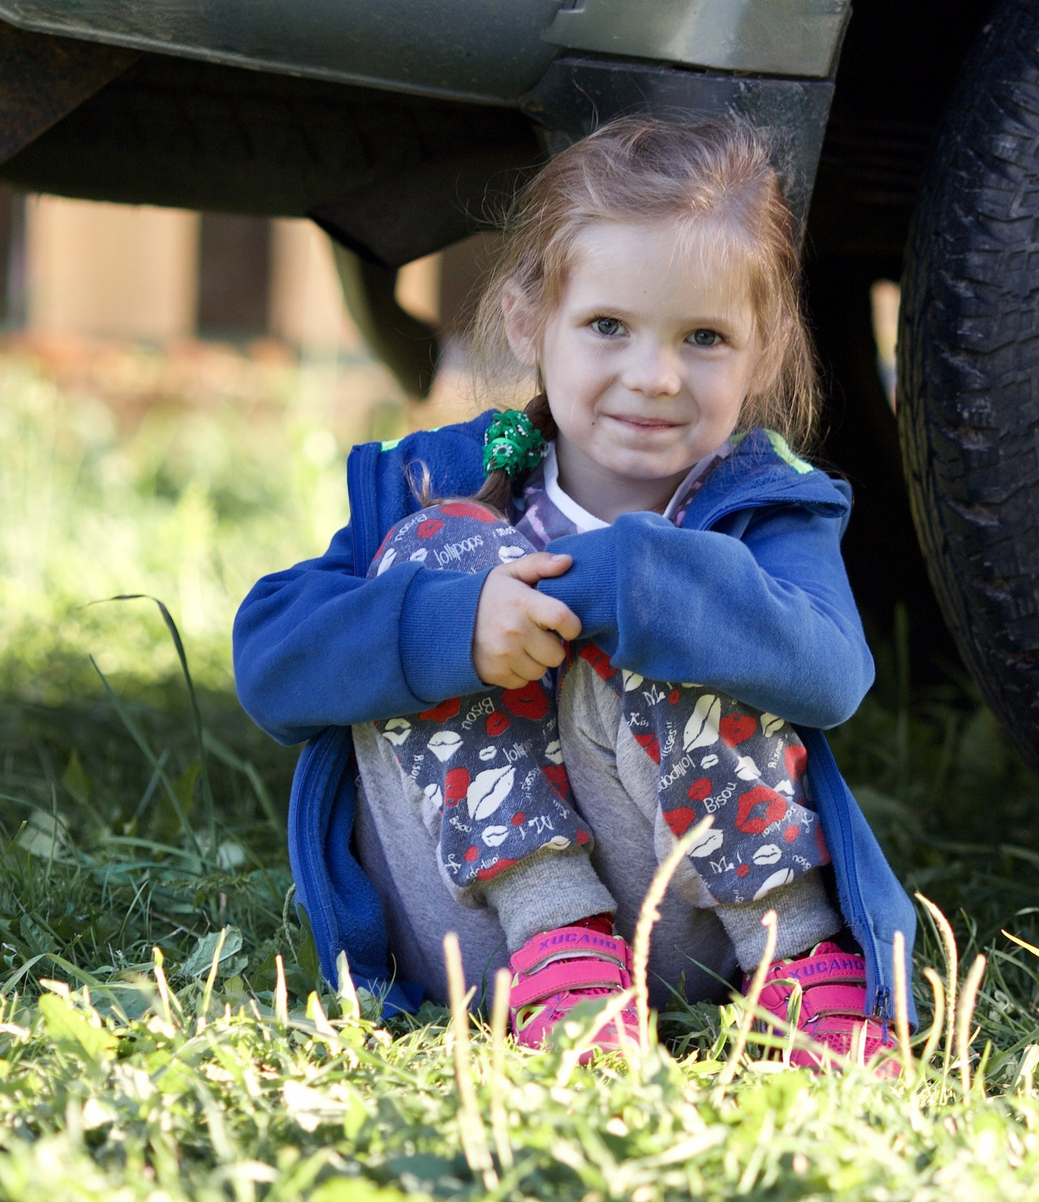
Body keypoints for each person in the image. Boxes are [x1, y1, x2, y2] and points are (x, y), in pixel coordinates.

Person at [235, 116, 912, 1067]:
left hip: (703, 923)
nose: (654, 375)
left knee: (683, 602)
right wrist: (454, 630)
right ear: (527, 321)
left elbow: (833, 674)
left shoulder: (763, 507)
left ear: (763, 352)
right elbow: (270, 660)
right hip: (485, 930)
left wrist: (630, 577)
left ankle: (803, 966)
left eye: (706, 337)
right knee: (443, 553)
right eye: (607, 326)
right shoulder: (440, 480)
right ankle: (566, 953)